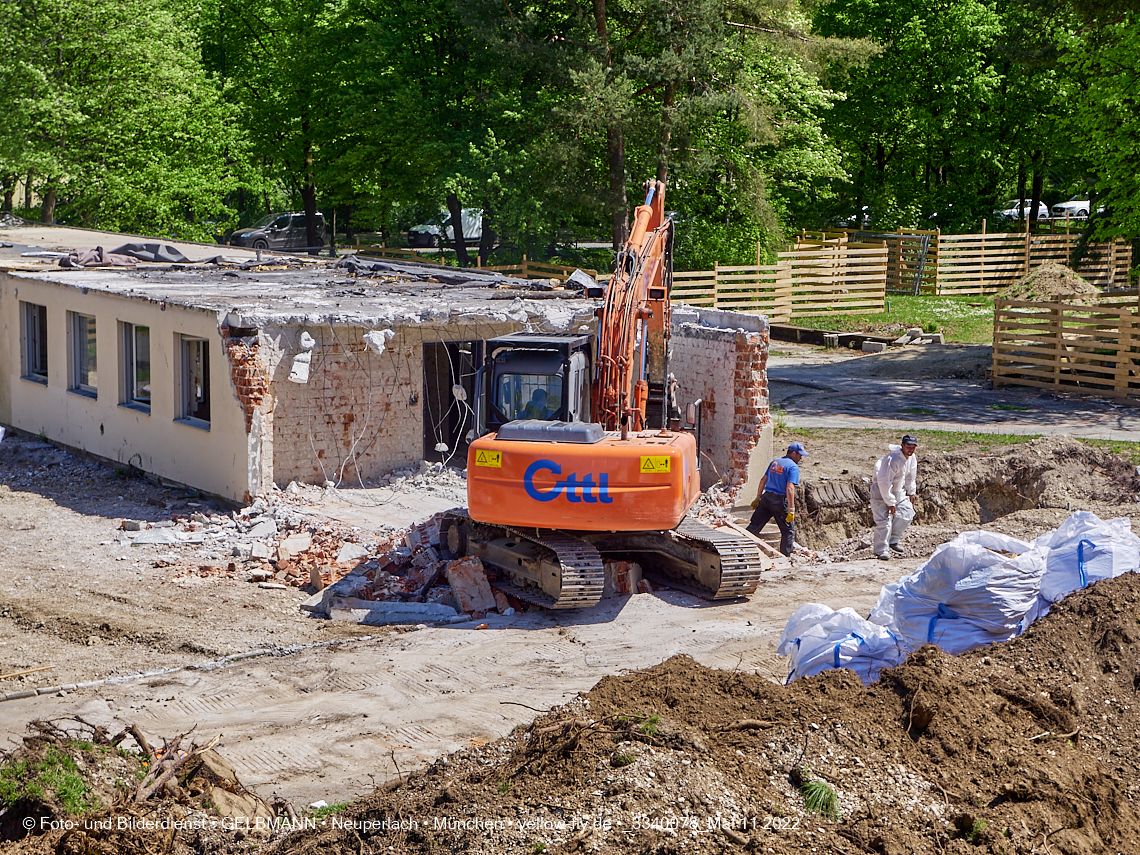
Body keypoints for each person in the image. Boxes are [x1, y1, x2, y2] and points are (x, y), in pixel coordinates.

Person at [747, 442, 807, 557]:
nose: (801, 457)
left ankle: (741, 549)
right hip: (780, 502)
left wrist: (758, 497)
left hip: (766, 498)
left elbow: (763, 480)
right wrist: (791, 509)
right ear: (793, 453)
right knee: (788, 531)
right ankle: (785, 558)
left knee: (754, 526)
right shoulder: (793, 467)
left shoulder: (775, 462)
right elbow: (789, 488)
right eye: (800, 455)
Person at [870, 434, 919, 560]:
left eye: (913, 447)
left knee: (907, 513)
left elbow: (910, 476)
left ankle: (893, 541)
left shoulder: (912, 458)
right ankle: (881, 550)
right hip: (881, 491)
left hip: (898, 490)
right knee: (884, 521)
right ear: (902, 445)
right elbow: (884, 482)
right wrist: (890, 502)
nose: (911, 450)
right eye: (908, 446)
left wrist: (911, 491)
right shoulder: (892, 460)